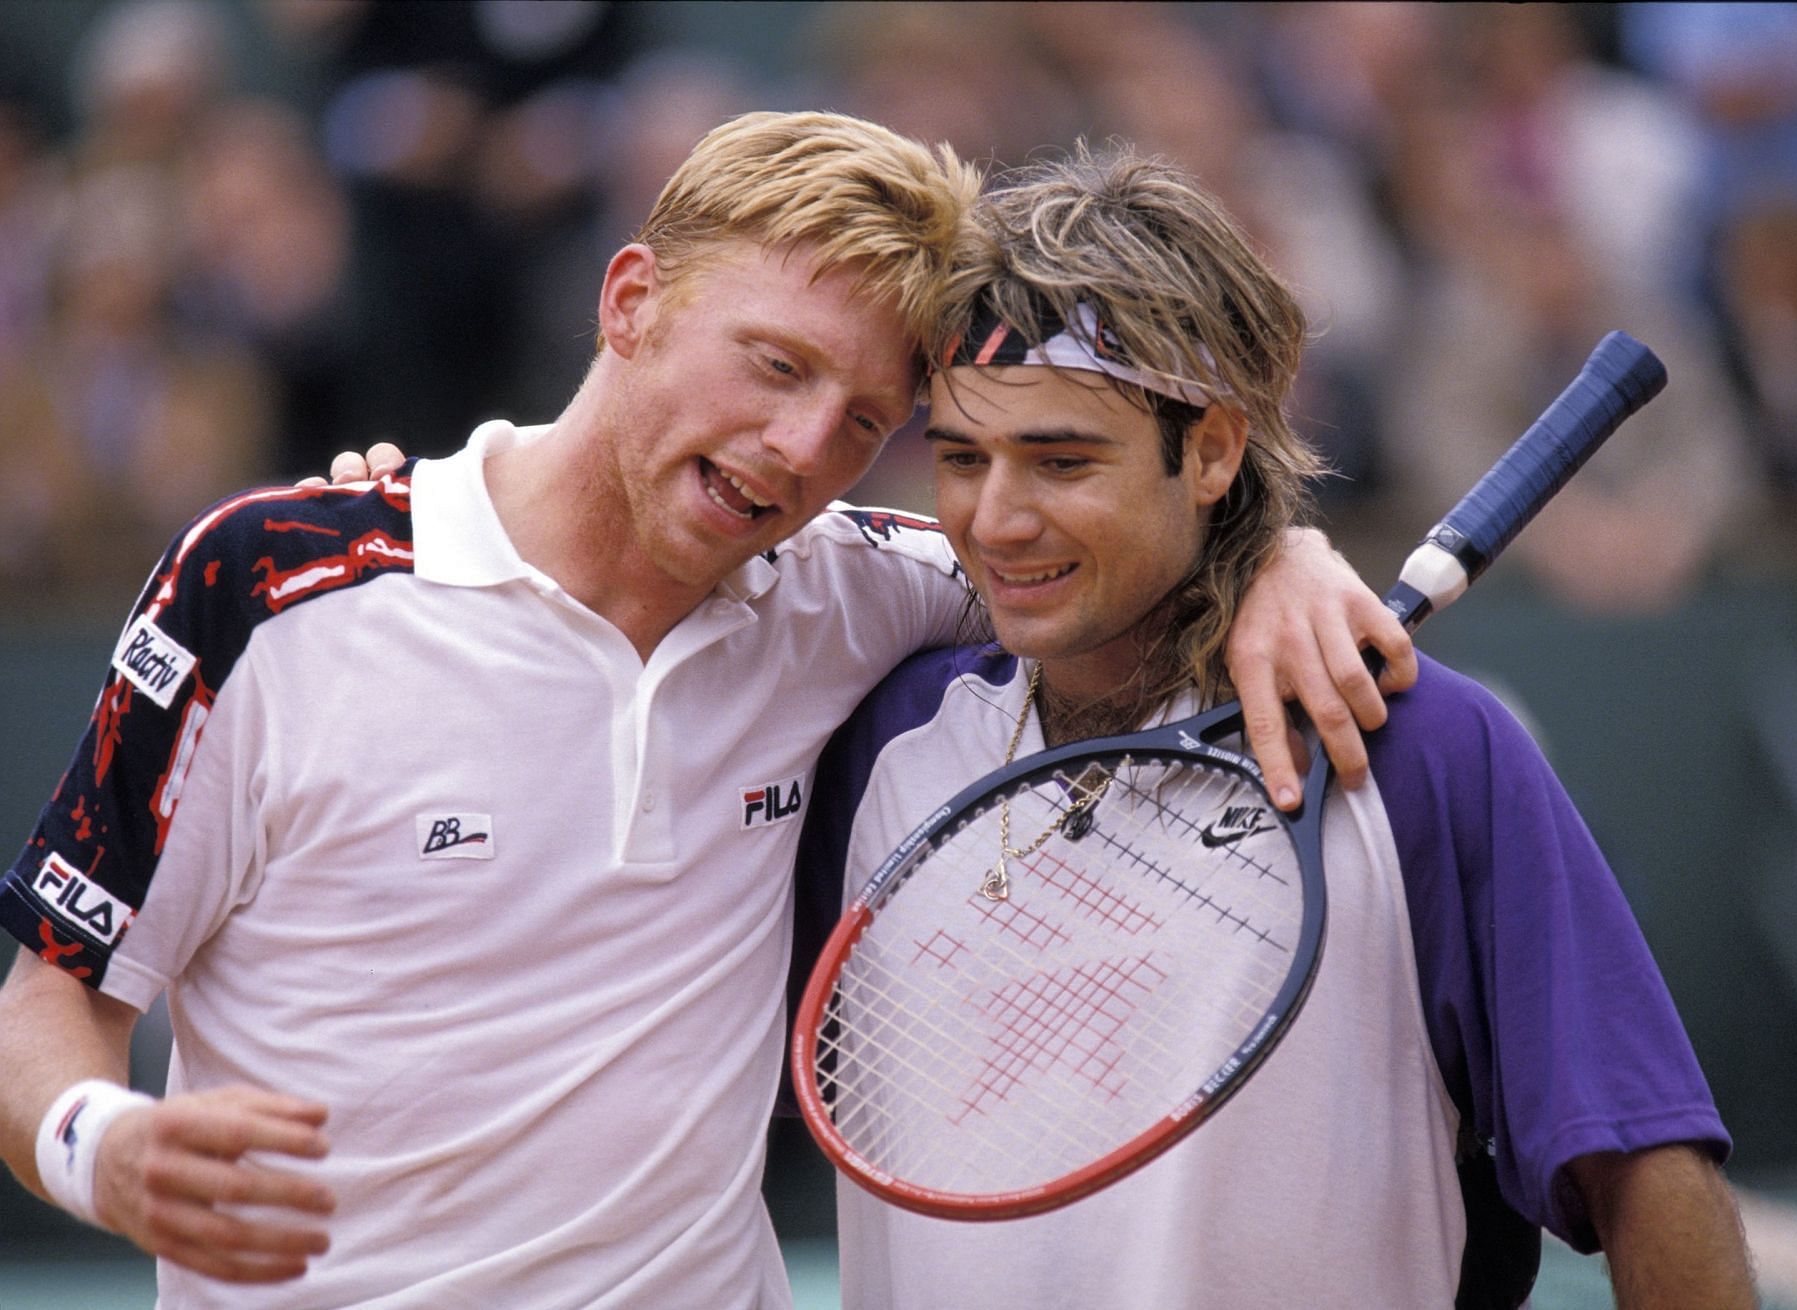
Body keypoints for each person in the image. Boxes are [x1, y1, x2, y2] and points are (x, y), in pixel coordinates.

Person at [0, 111, 1404, 1307]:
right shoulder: (264, 585)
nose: (802, 450)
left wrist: (1275, 548)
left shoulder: (859, 591)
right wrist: (97, 1143)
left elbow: (1114, 565)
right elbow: (50, 995)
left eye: (864, 419)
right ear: (630, 302)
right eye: (775, 364)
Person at [791, 147, 1756, 1308]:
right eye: (960, 456)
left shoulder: (1425, 752)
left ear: (1210, 449)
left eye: (1061, 459)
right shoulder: (877, 739)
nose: (994, 517)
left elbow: (1644, 1162)